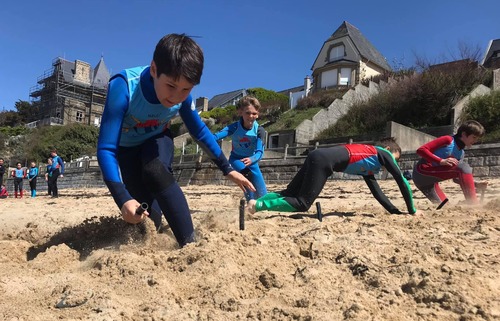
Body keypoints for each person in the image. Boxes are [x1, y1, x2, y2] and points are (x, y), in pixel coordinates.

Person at [97, 33, 255, 247]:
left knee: (154, 171)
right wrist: (122, 198)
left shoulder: (181, 95)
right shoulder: (124, 87)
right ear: (154, 70)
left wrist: (227, 168)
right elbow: (107, 148)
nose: (176, 96)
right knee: (144, 219)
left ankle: (190, 245)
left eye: (186, 89)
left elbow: (199, 131)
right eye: (170, 86)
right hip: (126, 150)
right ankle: (157, 219)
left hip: (157, 140)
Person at [247, 137, 417, 215]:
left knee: (289, 193)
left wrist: (395, 212)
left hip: (317, 156)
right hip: (323, 162)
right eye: (395, 159)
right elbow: (402, 182)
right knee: (302, 204)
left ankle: (254, 203)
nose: (392, 165)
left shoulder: (368, 166)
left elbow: (378, 193)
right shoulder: (382, 153)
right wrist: (412, 211)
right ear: (389, 151)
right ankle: (258, 205)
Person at [412, 120, 486, 206]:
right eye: (474, 137)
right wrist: (441, 161)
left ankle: (471, 205)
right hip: (422, 172)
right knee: (464, 167)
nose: (475, 141)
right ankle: (473, 204)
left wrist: (476, 184)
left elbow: (457, 178)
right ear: (464, 134)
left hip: (429, 184)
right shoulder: (448, 140)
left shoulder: (461, 153)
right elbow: (421, 150)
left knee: (446, 207)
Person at [213, 96, 267, 201]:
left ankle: (255, 204)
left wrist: (252, 159)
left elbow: (260, 151)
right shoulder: (234, 127)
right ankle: (249, 202)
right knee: (248, 178)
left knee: (263, 195)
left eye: (254, 113)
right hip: (236, 160)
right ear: (240, 112)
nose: (251, 116)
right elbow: (215, 137)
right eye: (247, 113)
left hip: (252, 162)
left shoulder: (260, 130)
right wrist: (201, 136)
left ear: (258, 114)